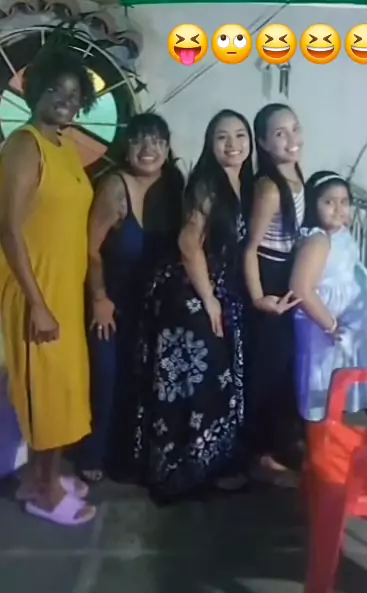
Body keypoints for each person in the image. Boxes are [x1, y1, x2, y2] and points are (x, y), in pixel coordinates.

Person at [132, 109, 253, 504]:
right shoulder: (206, 184)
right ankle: (182, 471)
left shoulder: (242, 182)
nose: (232, 144)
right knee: (195, 383)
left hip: (216, 292)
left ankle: (209, 465)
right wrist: (208, 299)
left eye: (240, 135)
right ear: (209, 144)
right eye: (222, 137)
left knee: (214, 381)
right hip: (189, 295)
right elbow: (189, 244)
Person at [0, 49, 97, 524]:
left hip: (64, 290)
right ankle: (44, 493)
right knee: (47, 394)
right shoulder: (24, 144)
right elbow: (8, 228)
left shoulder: (65, 146)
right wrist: (36, 303)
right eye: (55, 89)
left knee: (63, 391)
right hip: (34, 289)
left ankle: (42, 478)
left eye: (74, 94)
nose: (65, 99)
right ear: (35, 91)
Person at [76, 113, 185, 483]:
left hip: (153, 306)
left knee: (143, 380)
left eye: (157, 141)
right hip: (111, 301)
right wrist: (99, 297)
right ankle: (93, 452)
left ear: (167, 149)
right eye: (139, 140)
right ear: (127, 147)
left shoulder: (174, 188)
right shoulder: (114, 187)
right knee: (107, 377)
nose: (148, 148)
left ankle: (132, 454)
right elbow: (90, 249)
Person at [290, 171, 367, 422]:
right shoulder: (317, 241)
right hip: (321, 319)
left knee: (337, 377)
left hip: (342, 315)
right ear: (313, 204)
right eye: (329, 202)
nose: (338, 209)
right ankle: (317, 431)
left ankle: (331, 426)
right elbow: (301, 288)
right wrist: (330, 324)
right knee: (321, 375)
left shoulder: (339, 233)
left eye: (344, 202)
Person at [244, 103, 304, 486]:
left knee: (286, 364)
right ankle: (261, 451)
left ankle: (280, 442)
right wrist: (258, 297)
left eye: (295, 129)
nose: (291, 139)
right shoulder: (268, 187)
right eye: (280, 133)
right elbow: (250, 247)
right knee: (269, 367)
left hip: (287, 273)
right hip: (269, 274)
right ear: (264, 143)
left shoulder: (295, 173)